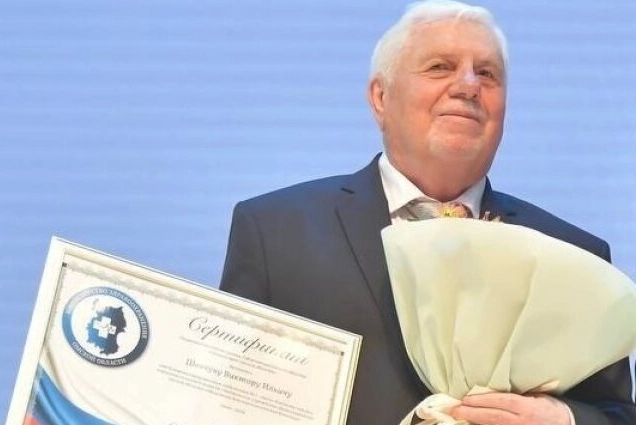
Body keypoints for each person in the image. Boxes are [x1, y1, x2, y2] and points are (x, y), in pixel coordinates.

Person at [219, 1, 636, 424]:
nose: (468, 86)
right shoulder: (275, 232)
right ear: (381, 97)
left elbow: (617, 414)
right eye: (440, 67)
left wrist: (563, 420)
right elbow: (226, 401)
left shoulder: (576, 256)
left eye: (487, 74)